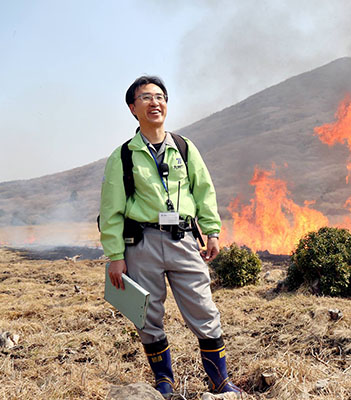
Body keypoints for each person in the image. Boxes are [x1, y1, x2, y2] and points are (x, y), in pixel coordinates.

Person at [99, 76, 242, 398]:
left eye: (160, 97)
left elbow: (203, 191)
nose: (155, 103)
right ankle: (164, 382)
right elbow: (111, 211)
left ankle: (219, 382)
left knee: (204, 309)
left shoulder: (184, 147)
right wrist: (115, 256)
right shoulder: (122, 156)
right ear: (132, 108)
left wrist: (212, 231)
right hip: (142, 244)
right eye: (146, 98)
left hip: (183, 240)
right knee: (148, 315)